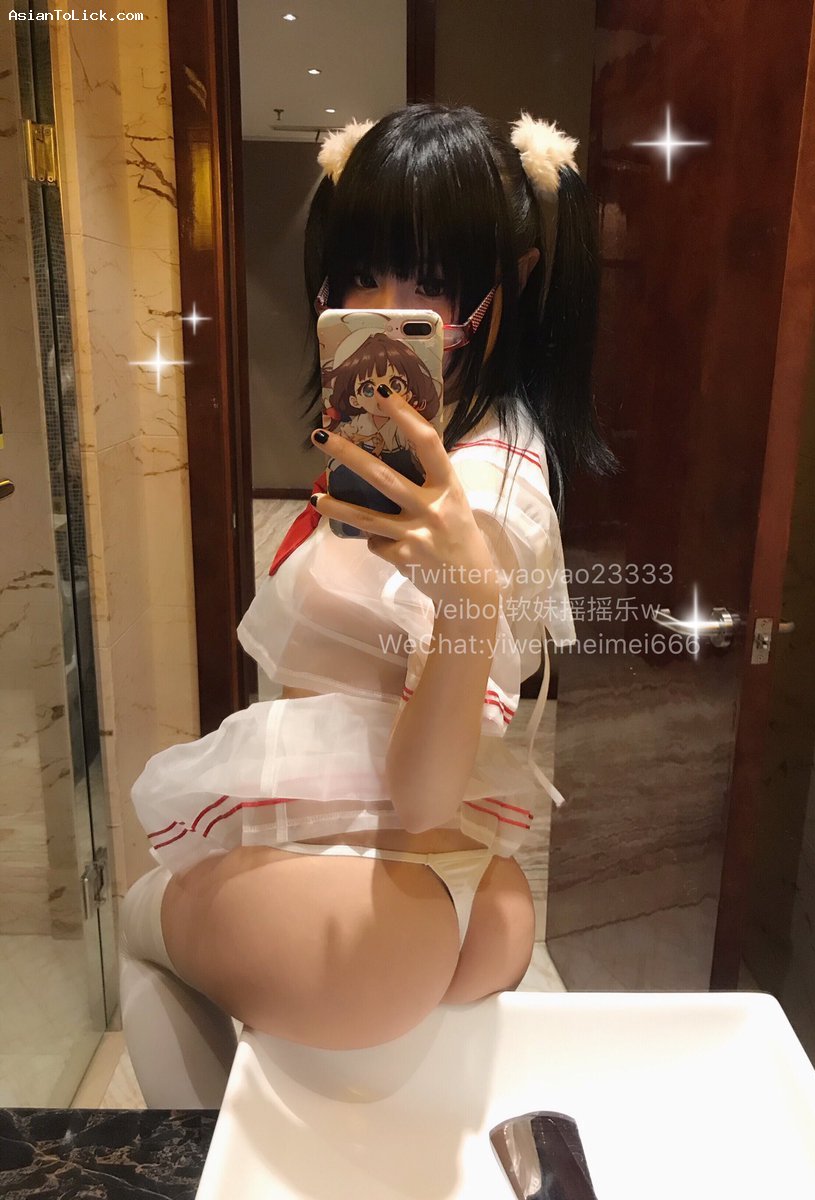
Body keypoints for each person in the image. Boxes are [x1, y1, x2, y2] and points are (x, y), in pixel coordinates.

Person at [118, 103, 620, 1107]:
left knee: (140, 920)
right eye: (362, 276)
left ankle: (199, 1166)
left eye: (430, 283)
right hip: (465, 894)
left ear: (514, 278)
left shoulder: (481, 495)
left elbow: (423, 793)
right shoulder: (489, 437)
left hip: (371, 904)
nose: (388, 311)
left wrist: (469, 596)